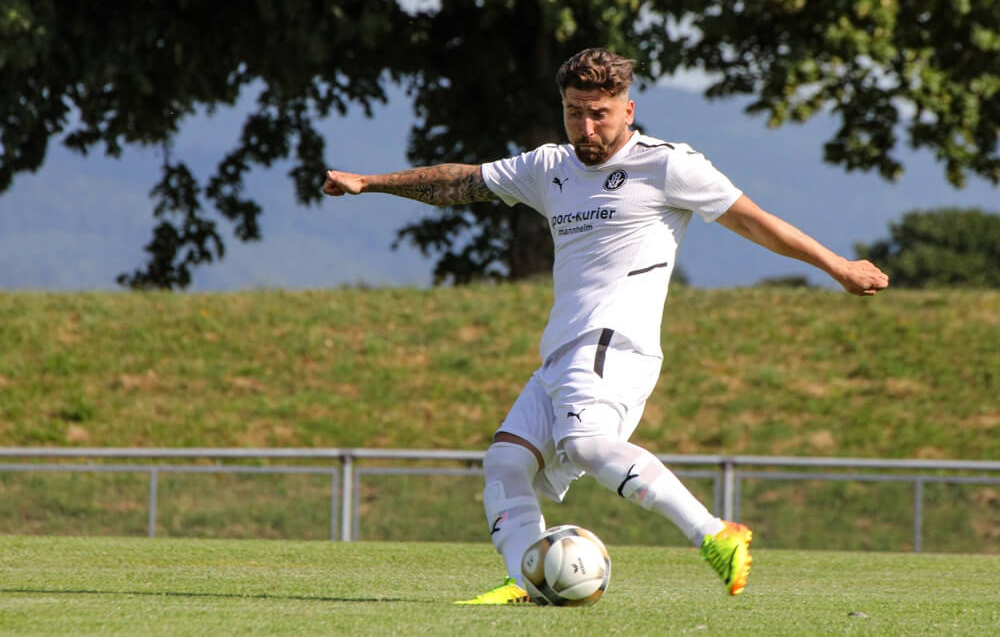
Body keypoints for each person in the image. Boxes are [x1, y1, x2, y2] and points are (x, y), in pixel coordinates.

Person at [323, 48, 890, 604]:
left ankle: (715, 533)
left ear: (628, 110)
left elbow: (755, 223)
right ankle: (526, 579)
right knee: (505, 462)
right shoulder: (548, 167)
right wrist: (369, 183)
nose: (586, 127)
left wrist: (838, 267)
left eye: (599, 113)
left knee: (590, 445)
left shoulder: (667, 165)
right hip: (564, 348)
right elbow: (461, 182)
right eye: (574, 112)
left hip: (616, 342)